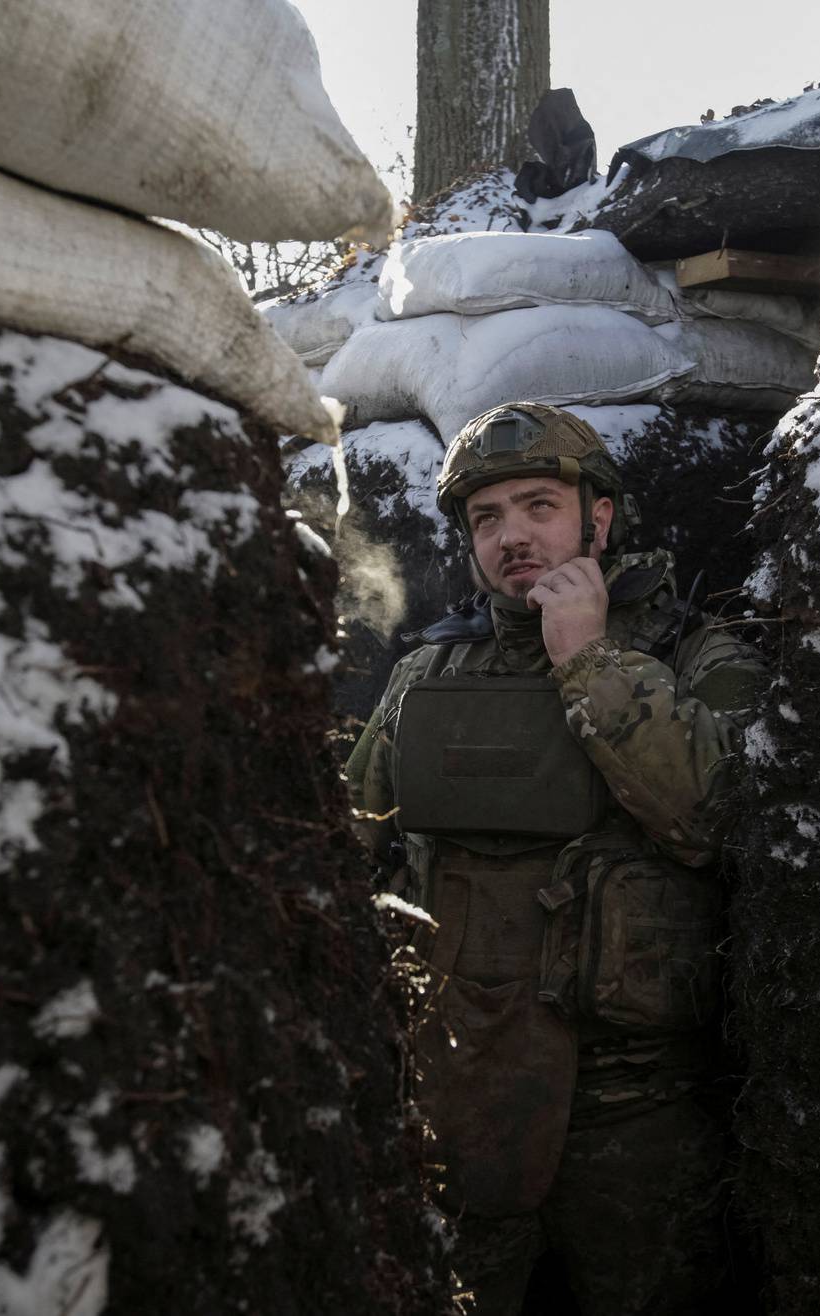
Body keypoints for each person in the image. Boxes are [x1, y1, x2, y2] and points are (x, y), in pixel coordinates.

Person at [343, 402, 767, 1315]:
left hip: (637, 1109)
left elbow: (725, 819)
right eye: (486, 518)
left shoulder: (697, 654)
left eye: (537, 505)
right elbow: (350, 841)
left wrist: (589, 659)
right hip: (461, 1091)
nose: (511, 537)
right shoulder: (428, 671)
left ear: (599, 517)